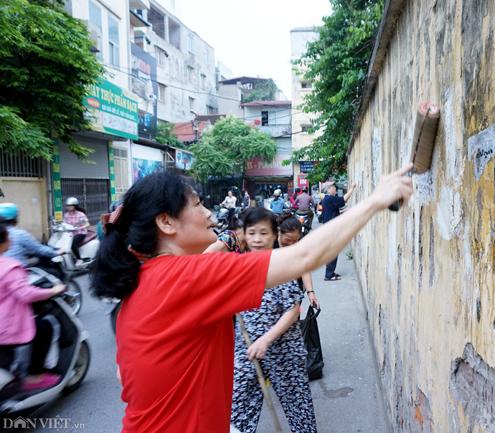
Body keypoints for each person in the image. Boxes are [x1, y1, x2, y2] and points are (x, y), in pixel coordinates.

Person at [89, 165, 412, 432]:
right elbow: (305, 257)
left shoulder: (143, 282)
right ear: (166, 222)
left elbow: (125, 374)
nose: (208, 214)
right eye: (198, 205)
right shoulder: (188, 277)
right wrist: (375, 201)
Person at [231, 208, 317, 433]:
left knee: (300, 410)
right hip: (247, 351)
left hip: (285, 351)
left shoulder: (282, 264)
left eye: (263, 233)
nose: (257, 239)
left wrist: (266, 340)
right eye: (251, 233)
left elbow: (293, 311)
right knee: (237, 414)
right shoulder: (236, 267)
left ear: (274, 235)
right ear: (244, 235)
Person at [0, 217, 68, 391]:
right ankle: (34, 375)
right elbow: (25, 293)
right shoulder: (9, 266)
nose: (11, 240)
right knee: (44, 327)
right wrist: (53, 291)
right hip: (6, 324)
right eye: (8, 237)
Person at [0, 203, 65, 265]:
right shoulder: (19, 234)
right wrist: (56, 252)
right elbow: (38, 249)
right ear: (15, 218)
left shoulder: (5, 232)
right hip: (16, 271)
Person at [321, 182, 357, 281]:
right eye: (333, 187)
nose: (335, 188)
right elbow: (344, 198)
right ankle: (329, 275)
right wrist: (352, 188)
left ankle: (330, 272)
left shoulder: (326, 199)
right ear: (328, 189)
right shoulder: (330, 198)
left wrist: (341, 212)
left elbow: (331, 213)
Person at [63, 197, 90, 267]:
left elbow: (87, 224)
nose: (68, 207)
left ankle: (79, 259)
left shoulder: (80, 214)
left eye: (70, 206)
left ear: (74, 206)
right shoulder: (66, 215)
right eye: (67, 205)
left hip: (80, 233)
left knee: (72, 243)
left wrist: (80, 227)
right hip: (70, 234)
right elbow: (64, 224)